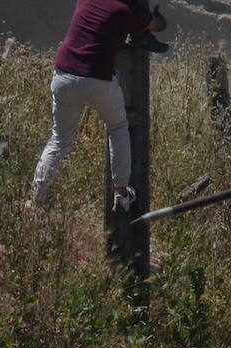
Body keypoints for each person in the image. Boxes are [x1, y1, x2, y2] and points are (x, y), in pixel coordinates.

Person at [30, 0, 166, 210]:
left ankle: (36, 200)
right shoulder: (129, 9)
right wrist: (155, 17)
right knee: (118, 128)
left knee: (59, 140)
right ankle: (121, 194)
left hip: (64, 73)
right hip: (98, 78)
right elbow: (158, 25)